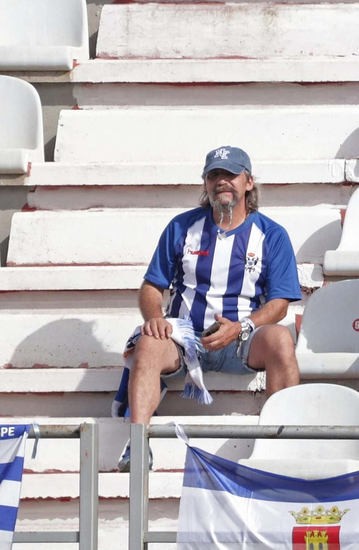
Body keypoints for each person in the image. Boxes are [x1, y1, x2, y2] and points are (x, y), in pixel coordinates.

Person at [116, 146, 302, 471]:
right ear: (205, 183)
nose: (222, 181)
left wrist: (242, 326)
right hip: (185, 338)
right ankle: (138, 442)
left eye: (230, 174)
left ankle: (279, 448)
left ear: (249, 182)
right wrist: (156, 319)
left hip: (242, 338)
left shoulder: (271, 234)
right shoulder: (181, 227)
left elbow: (280, 304)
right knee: (147, 341)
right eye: (214, 174)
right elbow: (151, 287)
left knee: (282, 340)